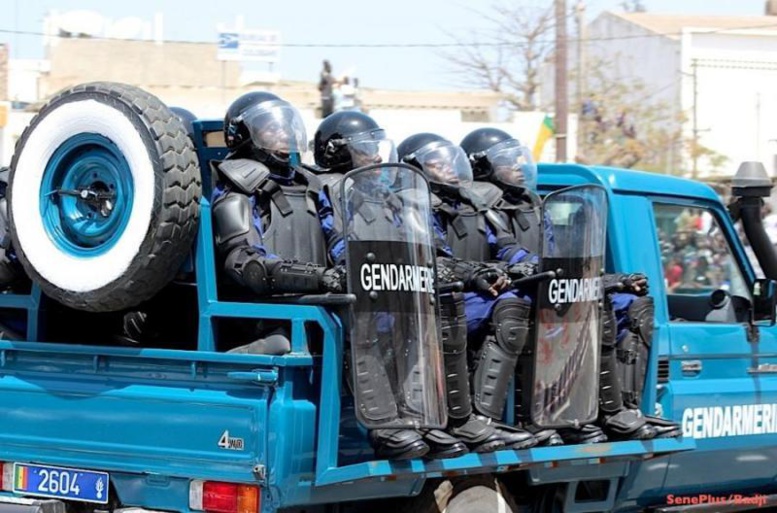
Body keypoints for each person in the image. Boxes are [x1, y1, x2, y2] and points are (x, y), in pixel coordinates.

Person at [213, 93, 435, 460]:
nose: (282, 136)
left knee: (398, 306)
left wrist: (359, 269)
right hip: (268, 313)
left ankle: (416, 415)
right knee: (356, 315)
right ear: (244, 134)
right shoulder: (237, 187)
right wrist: (319, 278)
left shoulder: (312, 184)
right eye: (271, 130)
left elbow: (338, 239)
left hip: (316, 298)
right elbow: (245, 263)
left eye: (285, 128)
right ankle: (382, 427)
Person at [461, 127, 681, 440]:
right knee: (518, 312)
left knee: (631, 307)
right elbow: (507, 254)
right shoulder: (477, 206)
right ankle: (502, 420)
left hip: (549, 283)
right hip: (515, 290)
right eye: (508, 162)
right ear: (481, 166)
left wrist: (609, 281)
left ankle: (618, 411)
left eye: (520, 159)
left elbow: (556, 256)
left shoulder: (534, 205)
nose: (519, 167)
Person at [313, 111, 504, 458]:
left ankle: (426, 416)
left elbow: (426, 250)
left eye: (376, 147)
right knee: (378, 312)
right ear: (337, 151)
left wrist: (468, 273)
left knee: (441, 306)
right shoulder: (331, 189)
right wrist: (376, 266)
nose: (375, 156)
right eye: (364, 148)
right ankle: (383, 424)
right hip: (360, 288)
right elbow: (340, 245)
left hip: (396, 283)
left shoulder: (390, 197)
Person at [398, 132, 544, 450]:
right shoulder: (413, 206)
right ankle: (470, 422)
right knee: (507, 305)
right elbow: (433, 259)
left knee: (525, 301)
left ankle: (519, 417)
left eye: (451, 161)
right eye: (438, 163)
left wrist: (538, 268)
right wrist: (479, 273)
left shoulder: (473, 203)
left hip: (472, 293)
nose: (450, 168)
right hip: (429, 303)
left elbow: (506, 247)